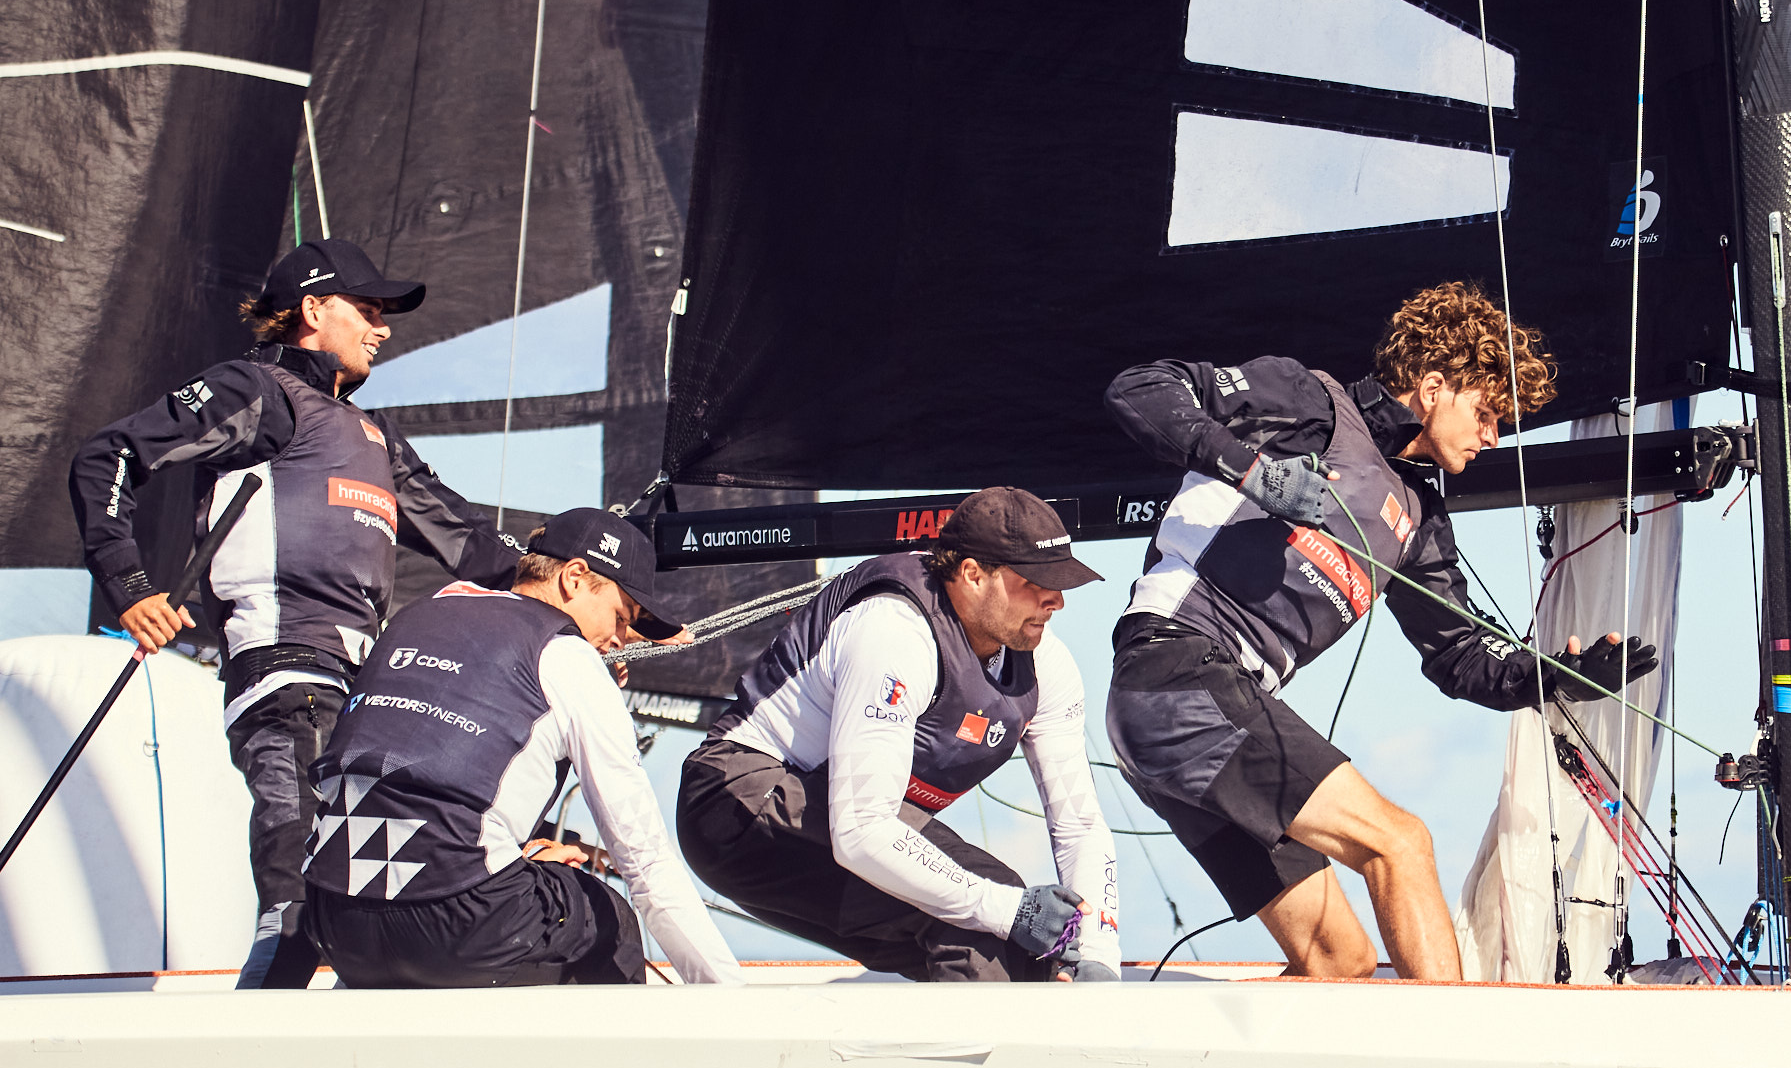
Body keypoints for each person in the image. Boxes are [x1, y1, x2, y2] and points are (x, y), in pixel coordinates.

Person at [1101, 280, 1657, 982]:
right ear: (1433, 387)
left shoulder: (1419, 515)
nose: (1493, 436)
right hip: (1175, 669)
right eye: (1486, 413)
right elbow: (1141, 390)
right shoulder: (1310, 402)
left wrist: (1554, 678)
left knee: (1340, 960)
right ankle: (1462, 1048)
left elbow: (1460, 655)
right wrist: (1255, 473)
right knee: (1401, 843)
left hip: (1202, 709)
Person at [67, 238, 522, 988]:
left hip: (365, 694)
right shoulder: (257, 390)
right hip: (286, 674)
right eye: (368, 309)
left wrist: (582, 584)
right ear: (313, 309)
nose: (382, 328)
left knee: (367, 905)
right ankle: (253, 1040)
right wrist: (131, 585)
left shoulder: (375, 436)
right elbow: (108, 455)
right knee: (301, 900)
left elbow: (474, 545)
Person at [676, 487, 1122, 982]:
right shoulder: (895, 630)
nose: (1057, 600)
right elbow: (861, 829)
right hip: (736, 804)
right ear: (973, 574)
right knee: (992, 913)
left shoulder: (1048, 666)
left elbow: (1078, 824)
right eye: (1036, 582)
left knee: (1027, 951)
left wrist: (1098, 954)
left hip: (843, 826)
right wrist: (1007, 910)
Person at [301, 508, 742, 987]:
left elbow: (424, 780)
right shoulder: (568, 657)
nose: (619, 640)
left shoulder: (417, 615)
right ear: (575, 577)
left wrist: (514, 864)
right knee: (607, 918)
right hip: (455, 920)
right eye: (620, 617)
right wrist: (731, 999)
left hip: (333, 920)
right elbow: (645, 860)